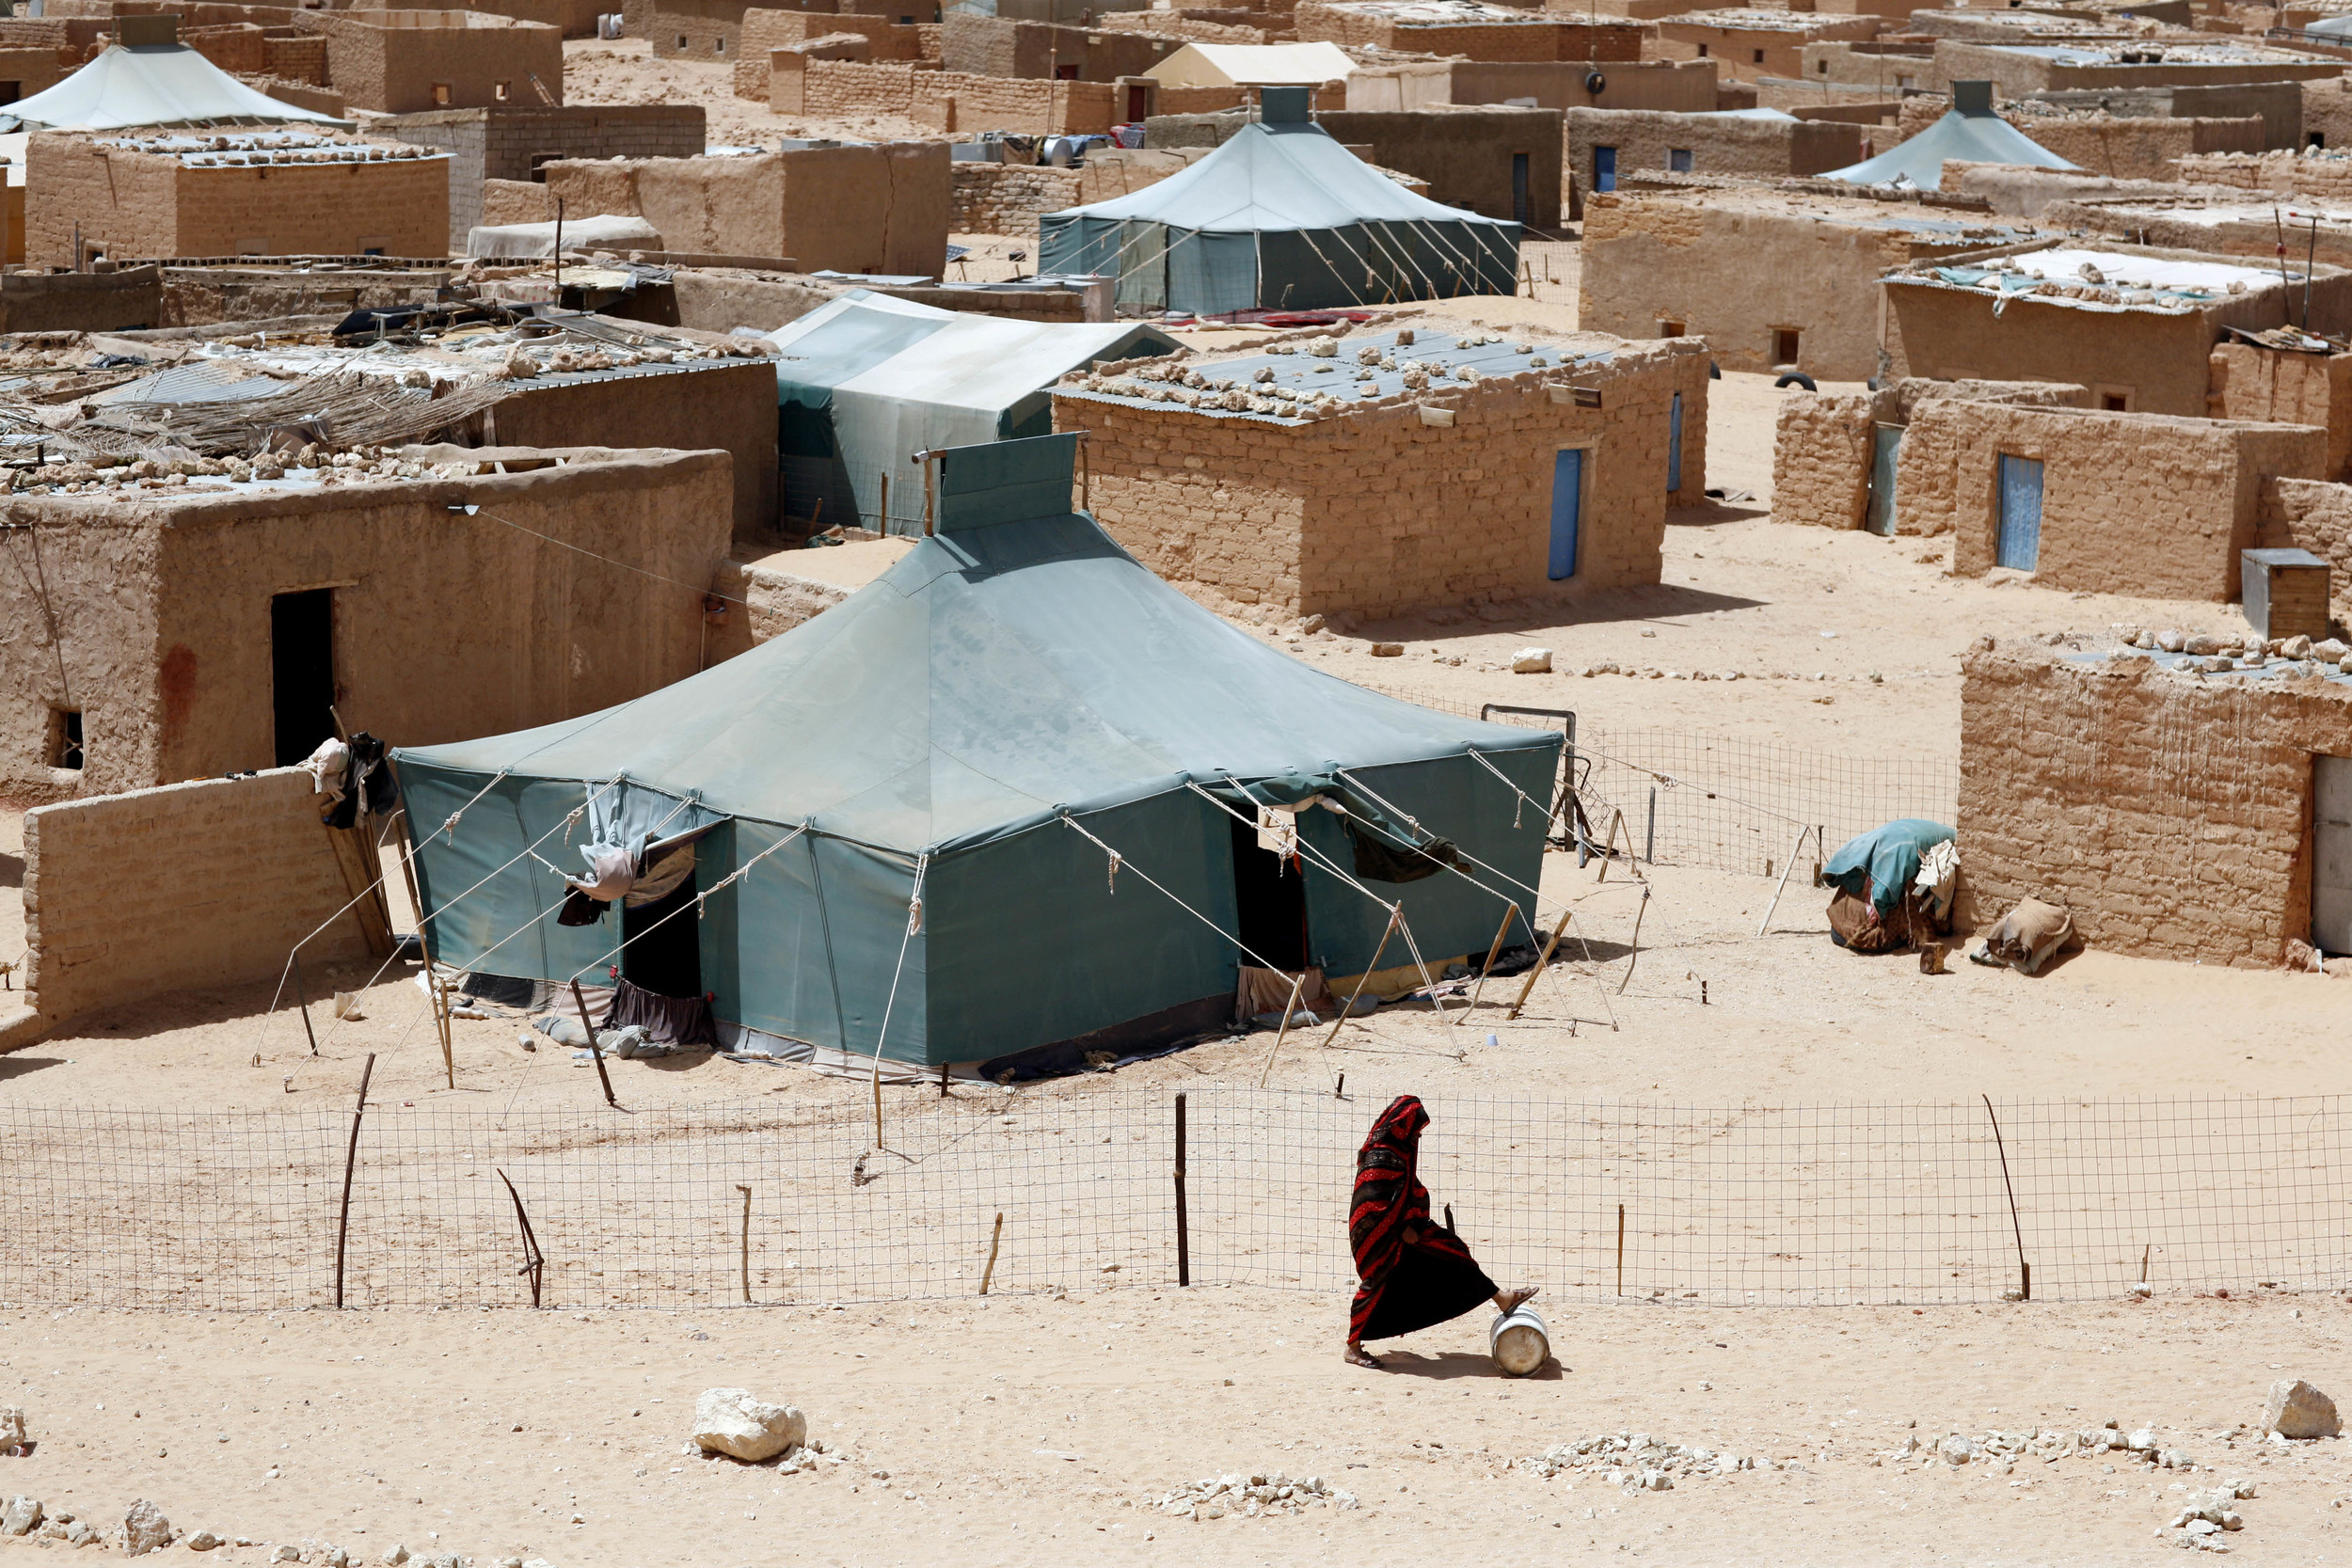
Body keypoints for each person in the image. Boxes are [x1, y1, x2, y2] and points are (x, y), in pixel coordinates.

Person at [1344, 1094, 1535, 1369]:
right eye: (1416, 1130)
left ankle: (1501, 1298)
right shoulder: (1381, 1155)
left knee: (1451, 1252)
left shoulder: (1398, 1150)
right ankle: (1352, 1347)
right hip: (1379, 1233)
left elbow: (1406, 1190)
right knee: (1379, 1281)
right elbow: (1374, 1201)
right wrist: (1401, 1229)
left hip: (1405, 1225)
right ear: (1402, 1127)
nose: (1419, 1136)